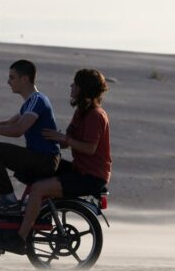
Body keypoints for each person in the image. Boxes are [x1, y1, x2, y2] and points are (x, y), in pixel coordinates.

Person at [7, 68, 111, 253]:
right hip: (80, 168)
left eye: (75, 84)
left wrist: (64, 139)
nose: (71, 86)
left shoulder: (95, 115)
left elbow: (89, 148)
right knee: (33, 167)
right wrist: (46, 138)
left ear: (84, 88)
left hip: (91, 176)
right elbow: (65, 141)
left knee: (39, 188)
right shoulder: (81, 112)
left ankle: (20, 238)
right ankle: (32, 213)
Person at [0, 59, 61, 212]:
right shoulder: (30, 103)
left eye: (12, 77)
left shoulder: (37, 100)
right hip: (39, 157)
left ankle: (8, 200)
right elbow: (8, 123)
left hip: (44, 159)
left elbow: (17, 130)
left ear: (24, 79)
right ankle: (7, 201)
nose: (8, 82)